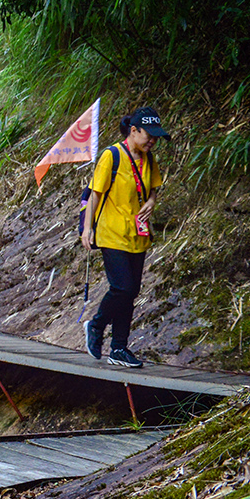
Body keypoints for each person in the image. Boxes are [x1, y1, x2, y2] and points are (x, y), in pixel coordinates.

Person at [82, 107, 168, 369]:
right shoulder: (112, 156)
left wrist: (152, 202)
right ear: (134, 131)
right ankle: (95, 325)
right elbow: (95, 194)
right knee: (123, 287)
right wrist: (88, 229)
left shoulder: (149, 159)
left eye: (156, 137)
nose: (152, 141)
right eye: (148, 136)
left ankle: (119, 348)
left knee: (131, 292)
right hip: (111, 232)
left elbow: (153, 189)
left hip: (137, 235)